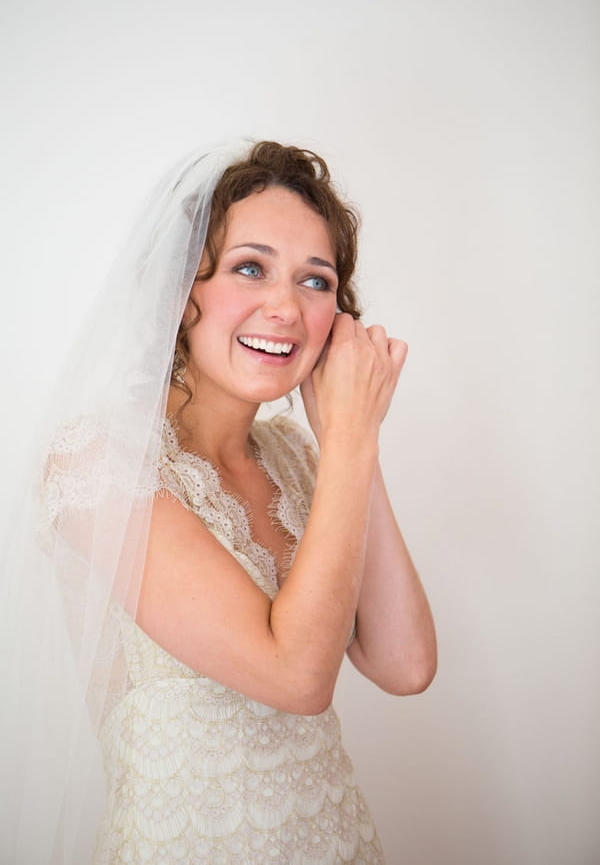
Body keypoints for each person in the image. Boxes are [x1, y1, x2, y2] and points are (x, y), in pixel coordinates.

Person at [0, 140, 436, 864]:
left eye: (316, 281)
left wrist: (347, 439)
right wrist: (354, 442)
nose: (286, 308)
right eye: (250, 267)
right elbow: (296, 677)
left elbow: (406, 665)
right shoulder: (97, 462)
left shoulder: (301, 456)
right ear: (180, 292)